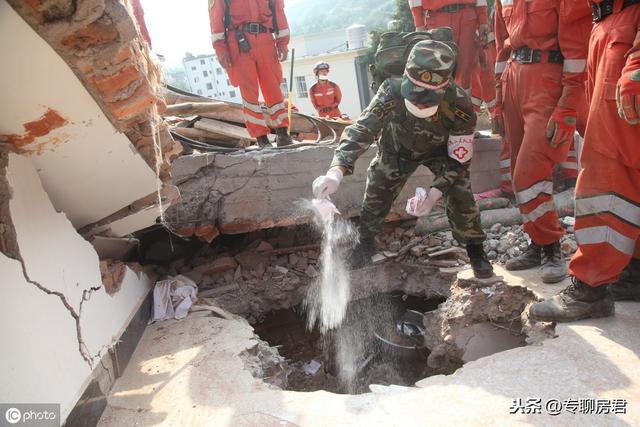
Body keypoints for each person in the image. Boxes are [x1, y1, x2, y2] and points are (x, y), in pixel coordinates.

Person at [312, 40, 494, 279]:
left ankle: (475, 250)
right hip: (397, 149)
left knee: (460, 190)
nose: (418, 102)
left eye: (426, 99)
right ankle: (366, 243)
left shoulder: (460, 105)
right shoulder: (391, 90)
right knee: (377, 188)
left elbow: (459, 161)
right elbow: (361, 130)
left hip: (440, 152)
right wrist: (336, 172)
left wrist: (433, 195)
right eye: (414, 96)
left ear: (443, 88)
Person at [529, 0, 640, 322]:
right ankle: (633, 272)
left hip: (626, 32)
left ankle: (590, 291)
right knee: (629, 171)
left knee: (605, 177)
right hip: (610, 29)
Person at [492, 0, 591, 283]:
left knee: (529, 171)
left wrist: (568, 105)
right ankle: (537, 244)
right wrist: (498, 99)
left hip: (547, 77)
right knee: (517, 172)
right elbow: (502, 46)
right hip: (513, 80)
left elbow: (577, 50)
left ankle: (551, 248)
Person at [208, 0, 293, 147]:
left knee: (273, 88)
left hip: (266, 39)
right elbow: (216, 18)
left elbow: (279, 11)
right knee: (249, 92)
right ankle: (261, 138)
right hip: (238, 42)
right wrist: (220, 50)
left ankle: (283, 133)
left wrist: (282, 42)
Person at [409, 0, 490, 93]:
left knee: (466, 72)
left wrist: (483, 19)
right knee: (438, 70)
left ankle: (462, 105)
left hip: (467, 16)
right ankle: (442, 105)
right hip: (438, 18)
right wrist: (419, 24)